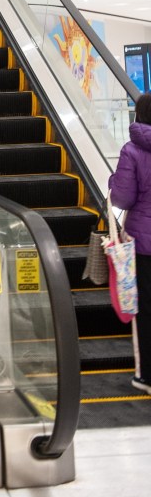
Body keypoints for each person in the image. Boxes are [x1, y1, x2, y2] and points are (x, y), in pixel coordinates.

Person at [108, 92, 151, 394]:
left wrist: (113, 183)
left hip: (144, 243)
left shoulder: (132, 150)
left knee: (146, 308)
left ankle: (147, 377)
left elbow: (122, 198)